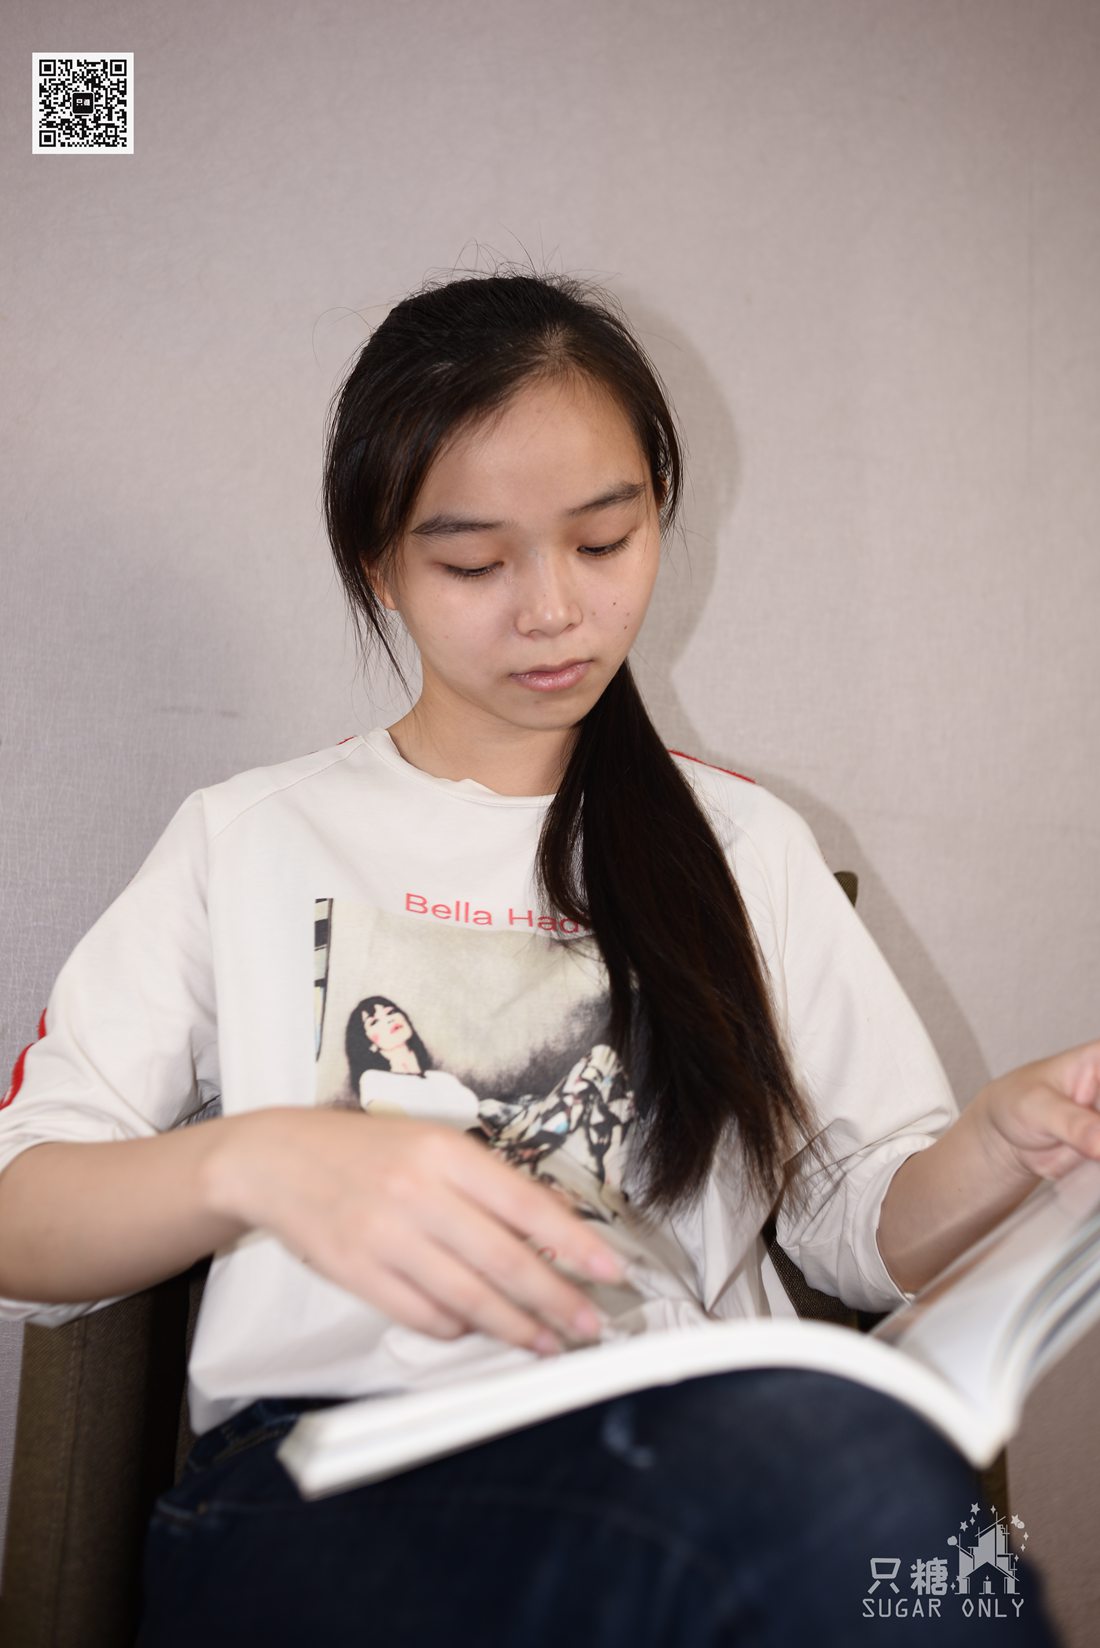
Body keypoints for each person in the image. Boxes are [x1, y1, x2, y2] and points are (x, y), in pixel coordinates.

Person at [0, 265, 1091, 1646]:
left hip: (694, 1439)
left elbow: (860, 1226)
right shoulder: (252, 840)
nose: (554, 611)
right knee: (852, 1509)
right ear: (378, 564)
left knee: (884, 1515)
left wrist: (999, 1143)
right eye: (475, 563)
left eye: (603, 541)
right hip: (337, 1476)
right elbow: (20, 1212)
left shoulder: (742, 845)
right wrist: (251, 1162)